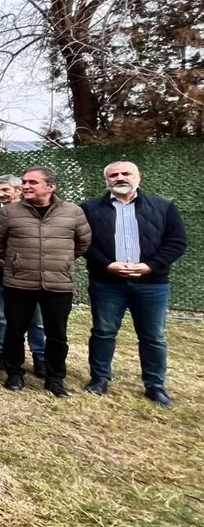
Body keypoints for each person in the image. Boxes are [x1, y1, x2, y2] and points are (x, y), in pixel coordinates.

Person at [81, 161, 187, 407]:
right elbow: (84, 243)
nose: (119, 177)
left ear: (138, 176)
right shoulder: (90, 209)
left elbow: (176, 242)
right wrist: (107, 264)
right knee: (103, 332)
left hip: (152, 284)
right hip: (107, 282)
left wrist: (152, 265)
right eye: (113, 175)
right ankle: (99, 379)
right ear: (107, 180)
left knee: (153, 336)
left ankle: (155, 385)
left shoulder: (164, 207)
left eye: (125, 173)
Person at [0, 166, 92, 398]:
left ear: (51, 187)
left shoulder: (73, 212)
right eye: (24, 182)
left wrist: (60, 261)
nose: (25, 186)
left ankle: (55, 379)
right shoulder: (10, 213)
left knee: (57, 334)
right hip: (19, 282)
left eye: (32, 182)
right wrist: (15, 261)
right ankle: (14, 373)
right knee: (15, 330)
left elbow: (83, 243)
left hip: (58, 283)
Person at [0, 176, 46, 375]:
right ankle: (4, 353)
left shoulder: (33, 212)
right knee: (0, 316)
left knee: (35, 319)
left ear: (18, 190)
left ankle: (40, 357)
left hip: (30, 276)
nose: (0, 194)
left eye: (5, 189)